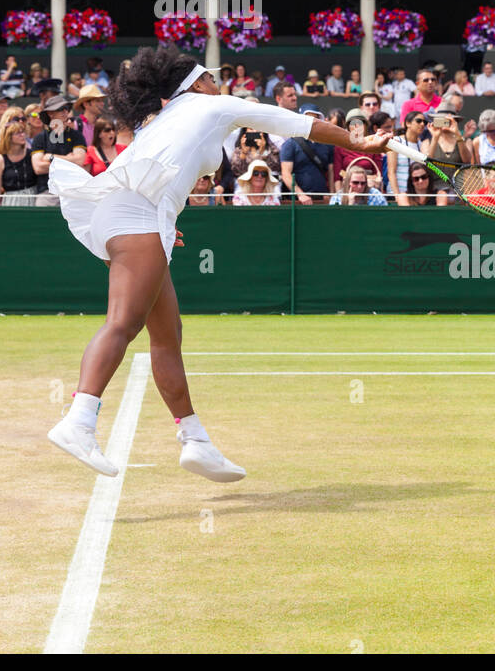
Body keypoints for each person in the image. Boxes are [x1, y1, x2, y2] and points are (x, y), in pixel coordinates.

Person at [48, 50, 390, 480]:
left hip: (131, 216)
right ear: (194, 85)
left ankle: (195, 440)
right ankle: (79, 419)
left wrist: (162, 229)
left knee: (167, 334)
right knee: (122, 323)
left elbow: (148, 176)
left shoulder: (166, 119)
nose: (217, 82)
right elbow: (295, 122)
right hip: (136, 218)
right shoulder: (212, 106)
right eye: (210, 77)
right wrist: (356, 142)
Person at [30, 94, 88, 203]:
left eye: (66, 108)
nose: (65, 111)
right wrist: (69, 160)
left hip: (72, 192)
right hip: (47, 193)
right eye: (60, 109)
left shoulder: (77, 136)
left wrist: (51, 157)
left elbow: (80, 161)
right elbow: (38, 168)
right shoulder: (40, 138)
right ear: (50, 113)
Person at [280, 107, 334, 204]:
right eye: (308, 119)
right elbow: (286, 174)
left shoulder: (327, 144)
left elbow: (331, 172)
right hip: (297, 201)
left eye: (315, 120)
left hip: (323, 199)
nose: (311, 123)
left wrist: (331, 194)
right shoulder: (290, 144)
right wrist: (300, 195)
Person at [0, 107, 38, 206]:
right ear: (8, 136)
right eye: (18, 133)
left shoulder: (30, 152)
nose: (22, 135)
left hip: (33, 198)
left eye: (23, 119)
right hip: (12, 201)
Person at [424, 106, 471, 203]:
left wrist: (458, 135)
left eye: (448, 120)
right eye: (442, 120)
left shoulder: (465, 141)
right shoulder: (427, 142)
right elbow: (426, 164)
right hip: (435, 190)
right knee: (442, 195)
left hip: (458, 189)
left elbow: (466, 160)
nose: (445, 123)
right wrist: (435, 137)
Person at [386, 109, 427, 203]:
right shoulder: (396, 141)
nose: (422, 124)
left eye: (424, 122)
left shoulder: (422, 145)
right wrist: (397, 196)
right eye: (418, 121)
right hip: (396, 195)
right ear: (408, 123)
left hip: (413, 196)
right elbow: (391, 172)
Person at [74, 84, 107, 148]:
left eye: (102, 101)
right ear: (86, 104)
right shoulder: (76, 125)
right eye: (98, 101)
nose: (102, 104)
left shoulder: (102, 125)